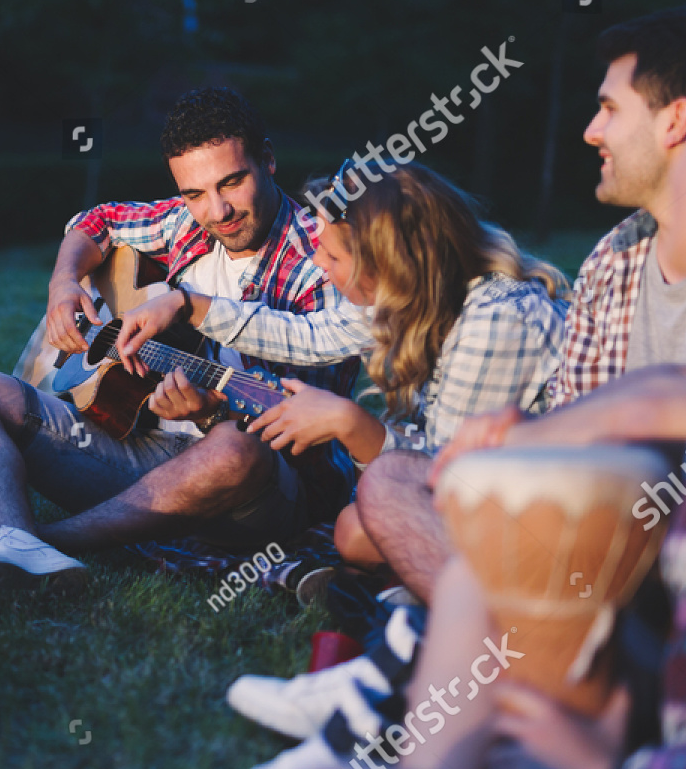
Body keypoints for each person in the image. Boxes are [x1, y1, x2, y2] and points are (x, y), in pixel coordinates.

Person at [217, 20, 686, 769]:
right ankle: (428, 734)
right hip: (650, 672)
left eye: (609, 109)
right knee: (452, 573)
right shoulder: (676, 295)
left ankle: (412, 708)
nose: (590, 130)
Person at [354, 4, 686, 605]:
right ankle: (512, 632)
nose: (592, 130)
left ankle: (488, 635)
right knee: (393, 483)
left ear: (676, 121)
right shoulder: (611, 260)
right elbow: (572, 426)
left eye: (611, 109)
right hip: (597, 517)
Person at [0, 87, 365, 605]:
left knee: (236, 449)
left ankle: (23, 543)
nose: (217, 211)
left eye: (232, 183)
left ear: (268, 159)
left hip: (251, 487)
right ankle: (16, 541)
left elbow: (311, 435)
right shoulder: (185, 223)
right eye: (194, 193)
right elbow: (96, 221)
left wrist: (212, 416)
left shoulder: (321, 260)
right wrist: (63, 284)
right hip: (139, 446)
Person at [115, 162, 567, 568]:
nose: (317, 263)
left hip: (551, 516)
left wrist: (349, 424)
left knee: (357, 531)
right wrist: (188, 303)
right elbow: (313, 335)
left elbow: (448, 484)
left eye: (333, 256)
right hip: (487, 490)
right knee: (355, 527)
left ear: (388, 264)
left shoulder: (496, 322)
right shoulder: (416, 292)